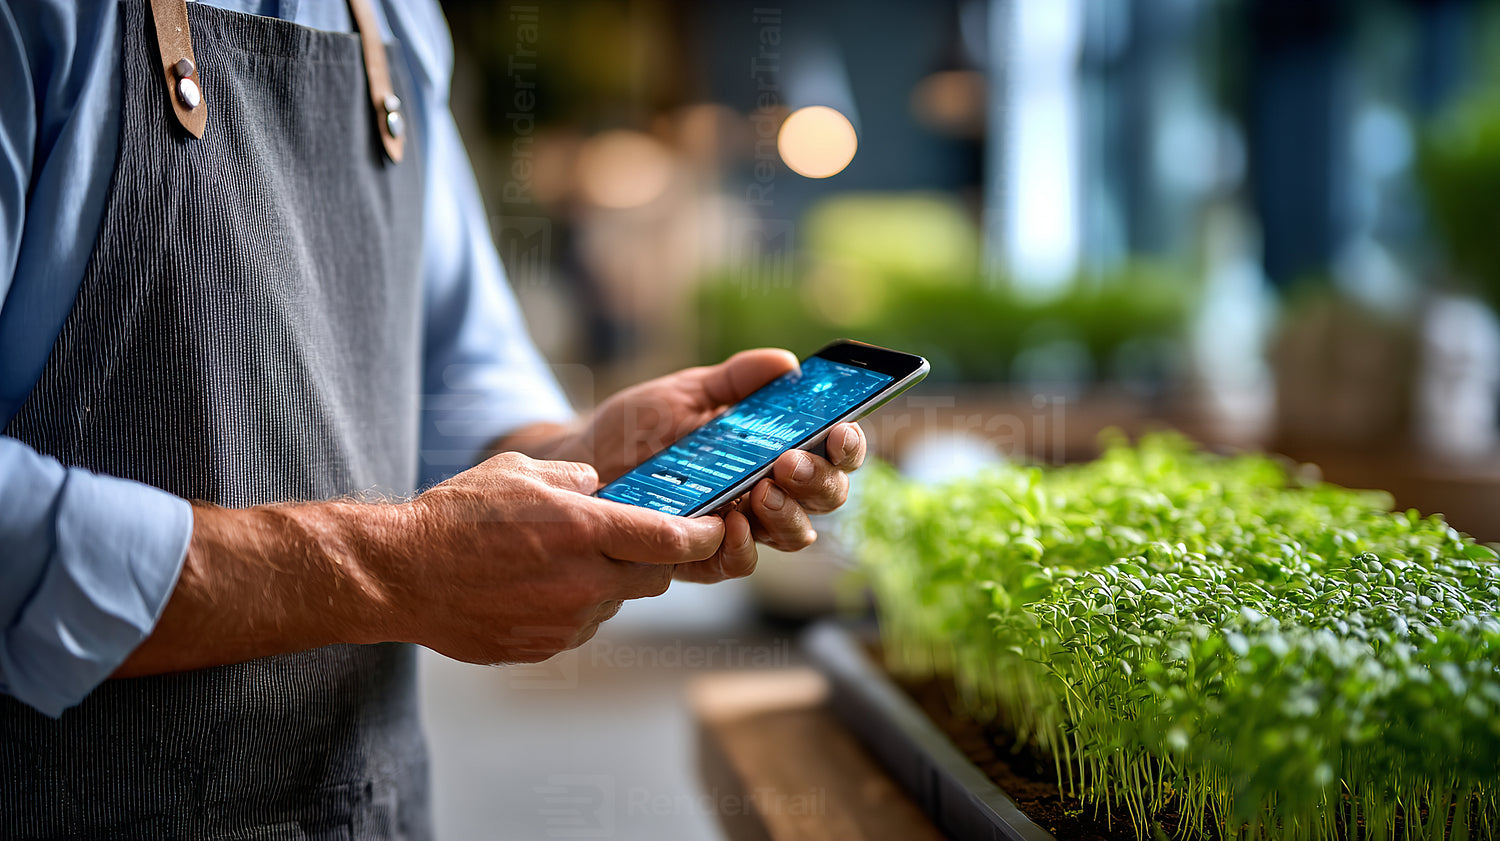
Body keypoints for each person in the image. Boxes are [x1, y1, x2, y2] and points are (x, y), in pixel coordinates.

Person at [0, 1, 865, 837]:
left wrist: (595, 457)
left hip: (360, 803)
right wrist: (390, 567)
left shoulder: (398, 19)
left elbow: (460, 366)